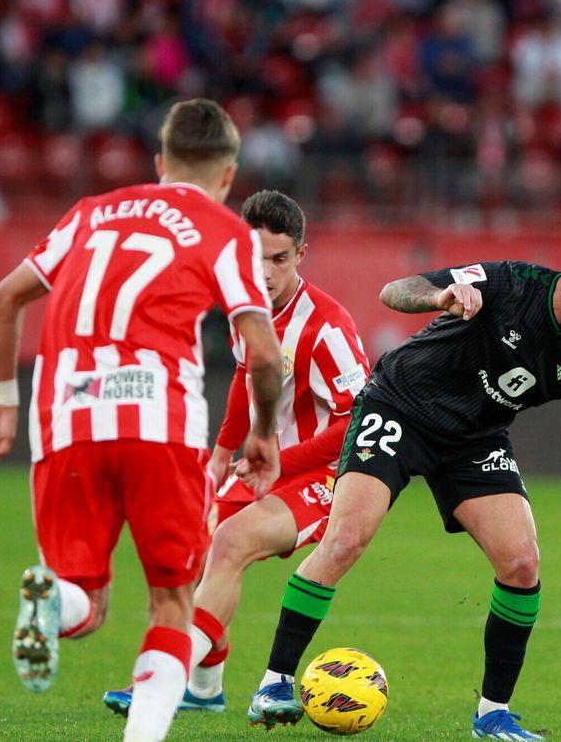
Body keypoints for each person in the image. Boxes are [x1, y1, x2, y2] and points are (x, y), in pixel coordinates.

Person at [244, 203, 561, 741]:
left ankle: (493, 715)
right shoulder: (511, 283)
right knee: (345, 539)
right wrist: (442, 295)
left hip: (475, 438)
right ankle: (274, 682)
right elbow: (395, 289)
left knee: (522, 562)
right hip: (400, 407)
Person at [0, 99, 285, 742]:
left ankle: (53, 603)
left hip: (67, 416)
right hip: (157, 421)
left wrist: (3, 400)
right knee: (171, 601)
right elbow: (266, 355)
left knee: (85, 603)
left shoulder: (90, 214)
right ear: (228, 176)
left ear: (161, 161)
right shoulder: (226, 232)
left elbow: (4, 298)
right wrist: (263, 431)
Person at [102, 190, 370, 716]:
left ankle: (162, 684)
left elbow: (358, 422)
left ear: (301, 254)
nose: (265, 273)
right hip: (260, 464)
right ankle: (204, 691)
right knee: (195, 563)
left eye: (279, 259)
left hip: (325, 474)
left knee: (228, 544)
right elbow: (247, 375)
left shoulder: (326, 326)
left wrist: (280, 464)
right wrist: (222, 454)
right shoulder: (242, 309)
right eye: (254, 258)